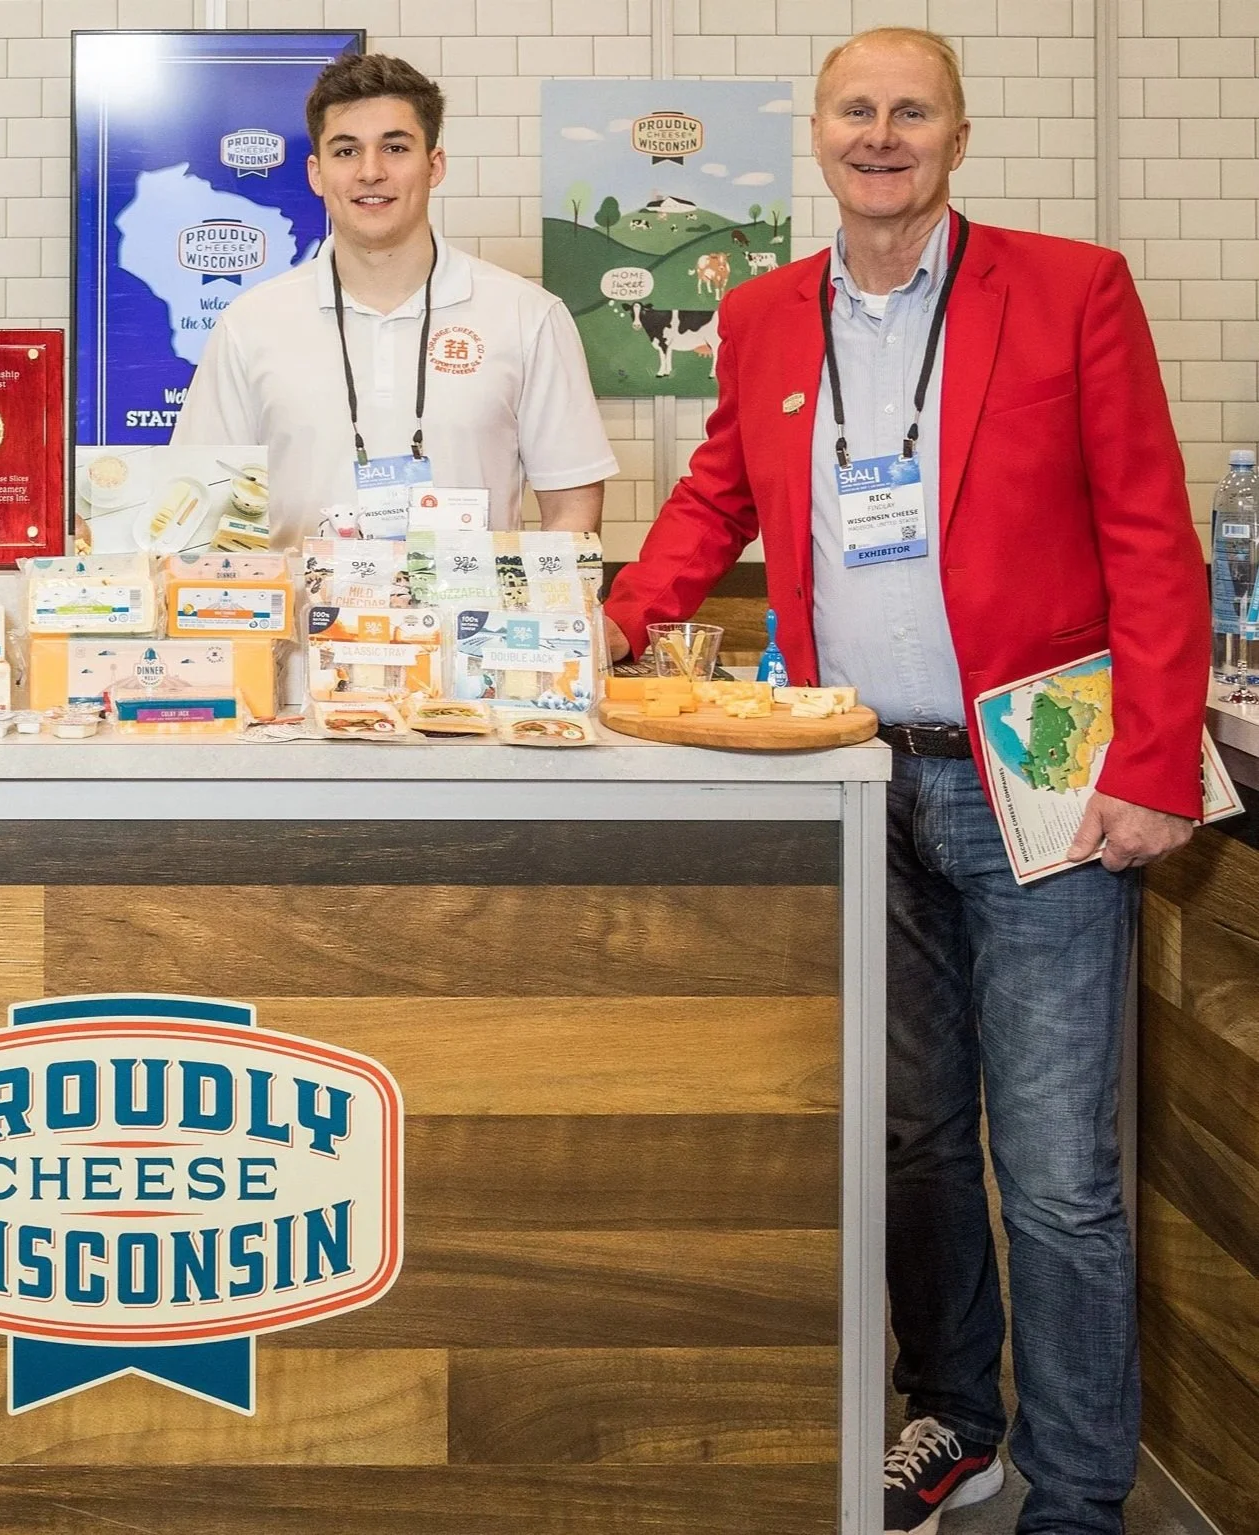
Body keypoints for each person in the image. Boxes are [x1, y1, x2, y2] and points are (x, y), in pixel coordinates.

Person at [603, 27, 1209, 1535]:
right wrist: (585, 640)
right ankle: (961, 1421)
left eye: (910, 112)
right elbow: (713, 501)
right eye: (855, 110)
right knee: (911, 1135)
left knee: (1060, 1169)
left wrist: (1154, 764)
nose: (881, 135)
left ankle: (1078, 1492)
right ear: (815, 134)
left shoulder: (1071, 289)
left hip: (1041, 782)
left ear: (957, 136)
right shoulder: (756, 314)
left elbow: (1148, 527)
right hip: (856, 772)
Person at [173, 52, 617, 538]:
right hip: (302, 614)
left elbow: (571, 509)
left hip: (471, 615)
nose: (370, 172)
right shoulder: (250, 322)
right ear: (316, 174)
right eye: (346, 151)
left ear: (435, 165)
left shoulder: (527, 316)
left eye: (395, 148)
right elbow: (204, 501)